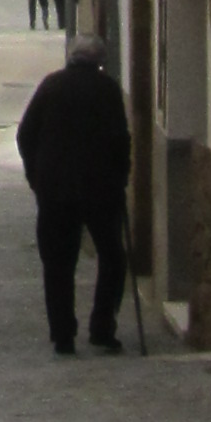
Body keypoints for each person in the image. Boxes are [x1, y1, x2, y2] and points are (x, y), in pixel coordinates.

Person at [15, 33, 132, 357]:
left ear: (71, 57)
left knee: (58, 264)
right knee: (113, 258)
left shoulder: (51, 85)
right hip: (100, 190)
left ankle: (63, 335)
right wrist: (121, 176)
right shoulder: (107, 89)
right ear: (100, 61)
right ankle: (102, 327)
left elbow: (25, 134)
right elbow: (120, 139)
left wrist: (36, 176)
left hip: (55, 191)